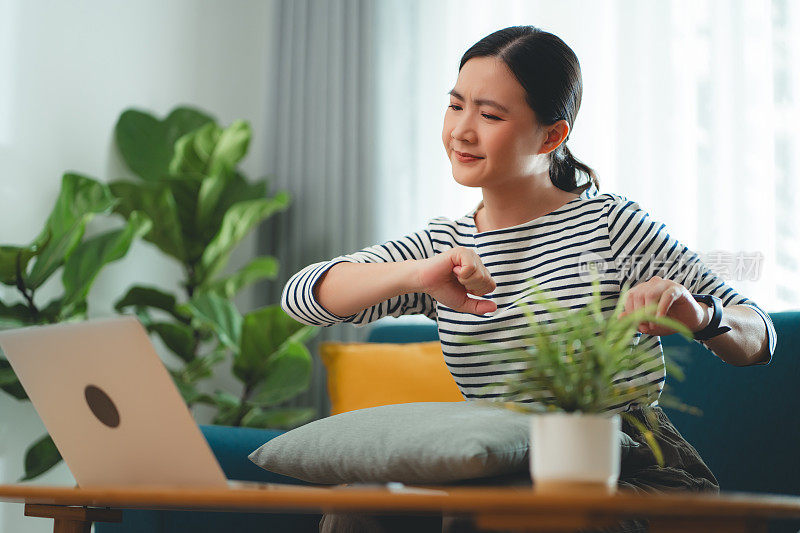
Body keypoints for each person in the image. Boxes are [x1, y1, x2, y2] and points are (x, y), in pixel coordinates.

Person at [281, 26, 777, 533]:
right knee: (360, 505)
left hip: (624, 467)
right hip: (500, 458)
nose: (461, 131)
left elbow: (759, 337)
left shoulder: (610, 226)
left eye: (490, 115)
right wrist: (417, 273)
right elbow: (304, 297)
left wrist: (700, 313)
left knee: (502, 509)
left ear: (551, 135)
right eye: (456, 106)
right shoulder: (444, 247)